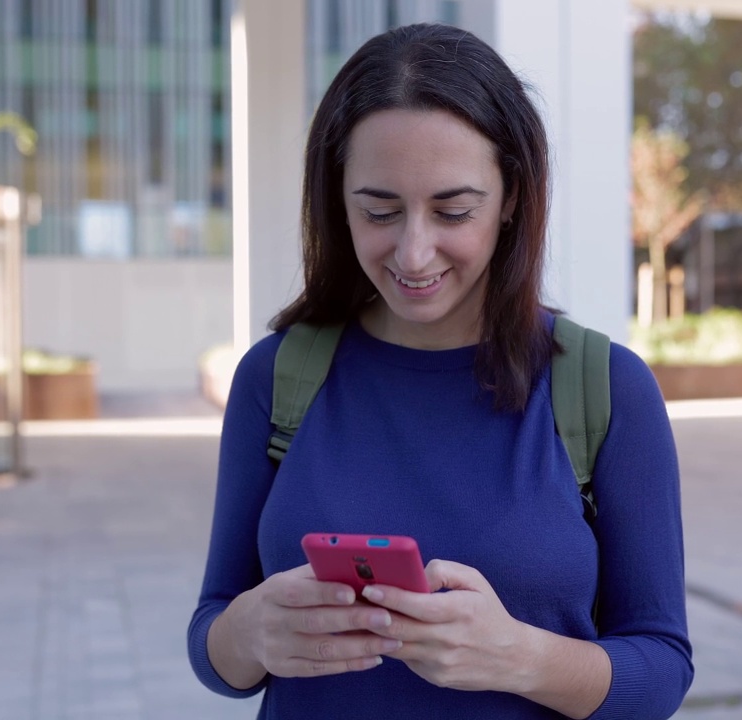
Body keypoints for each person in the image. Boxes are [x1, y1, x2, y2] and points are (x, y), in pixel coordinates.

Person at [188, 23, 692, 720]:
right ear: (337, 199)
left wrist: (522, 657)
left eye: (453, 209)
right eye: (379, 210)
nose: (414, 252)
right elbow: (215, 647)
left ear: (512, 197)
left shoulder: (607, 389)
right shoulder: (276, 378)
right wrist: (249, 634)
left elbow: (662, 668)